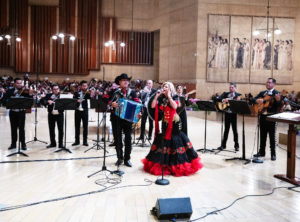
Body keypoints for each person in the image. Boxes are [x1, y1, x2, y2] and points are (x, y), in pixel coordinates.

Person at [142, 82, 203, 176]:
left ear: (170, 88)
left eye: (166, 86)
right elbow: (153, 106)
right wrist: (156, 96)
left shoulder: (174, 96)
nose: (164, 88)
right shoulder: (161, 97)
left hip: (174, 123)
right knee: (164, 141)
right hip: (165, 123)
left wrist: (169, 97)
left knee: (175, 141)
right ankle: (165, 165)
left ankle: (176, 165)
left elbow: (175, 106)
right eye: (163, 87)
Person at [111, 73, 141, 167]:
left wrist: (140, 112)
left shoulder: (132, 92)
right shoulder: (115, 92)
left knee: (128, 138)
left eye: (127, 80)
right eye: (123, 80)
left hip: (128, 119)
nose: (125, 82)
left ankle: (127, 159)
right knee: (118, 138)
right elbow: (108, 102)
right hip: (116, 118)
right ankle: (119, 158)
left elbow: (138, 104)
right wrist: (112, 104)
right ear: (119, 82)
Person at [253, 78, 281, 161]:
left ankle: (273, 154)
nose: (267, 84)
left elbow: (279, 104)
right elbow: (253, 99)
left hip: (271, 118)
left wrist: (278, 100)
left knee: (272, 137)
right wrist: (257, 100)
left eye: (269, 82)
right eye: (267, 82)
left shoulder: (277, 93)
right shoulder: (262, 93)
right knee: (262, 135)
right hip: (262, 117)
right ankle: (261, 152)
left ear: (273, 84)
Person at [2, 78, 33, 150]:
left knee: (22, 129)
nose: (19, 84)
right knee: (13, 129)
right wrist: (9, 103)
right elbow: (3, 100)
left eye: (20, 83)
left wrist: (30, 94)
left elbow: (30, 101)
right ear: (15, 84)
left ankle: (23, 144)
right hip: (13, 112)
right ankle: (13, 144)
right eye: (18, 83)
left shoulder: (25, 91)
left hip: (21, 112)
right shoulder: (10, 91)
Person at [217, 82, 241, 151]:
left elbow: (238, 105)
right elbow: (218, 99)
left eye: (232, 87)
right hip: (227, 114)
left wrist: (236, 101)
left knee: (235, 130)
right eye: (230, 87)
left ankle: (236, 145)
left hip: (233, 114)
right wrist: (223, 100)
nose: (230, 88)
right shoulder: (225, 94)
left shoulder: (238, 95)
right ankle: (223, 145)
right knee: (226, 130)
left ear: (235, 88)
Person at [41, 84, 64, 149]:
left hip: (60, 114)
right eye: (54, 89)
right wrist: (47, 101)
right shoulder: (49, 95)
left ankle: (61, 144)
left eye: (57, 89)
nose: (56, 90)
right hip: (51, 114)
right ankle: (53, 143)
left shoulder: (61, 96)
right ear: (52, 90)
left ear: (59, 89)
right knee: (51, 129)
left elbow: (66, 102)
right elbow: (42, 101)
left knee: (61, 130)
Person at [72, 80, 93, 146]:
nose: (85, 87)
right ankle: (77, 141)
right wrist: (77, 101)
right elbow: (73, 101)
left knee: (85, 127)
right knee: (77, 126)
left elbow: (91, 98)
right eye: (83, 86)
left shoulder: (87, 93)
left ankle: (85, 141)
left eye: (86, 86)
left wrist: (91, 94)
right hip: (77, 111)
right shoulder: (76, 93)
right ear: (80, 86)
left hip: (85, 111)